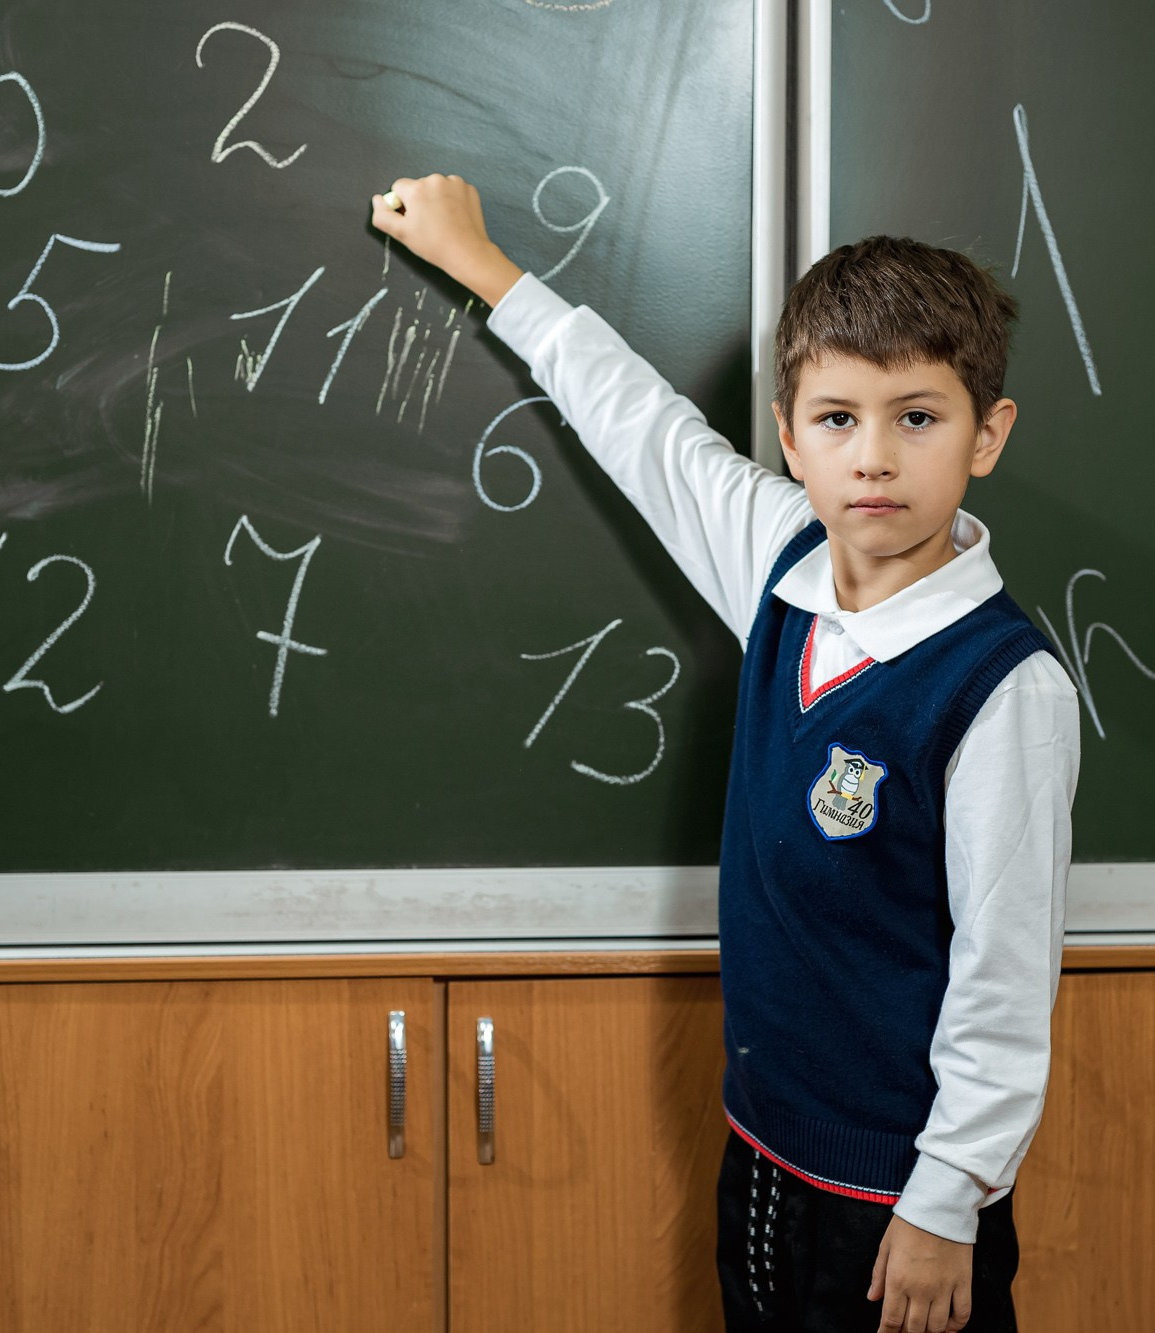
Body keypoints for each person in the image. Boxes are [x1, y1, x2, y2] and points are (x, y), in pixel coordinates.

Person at [371, 174, 1080, 1333]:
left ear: (985, 435)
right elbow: (642, 426)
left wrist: (946, 1202)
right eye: (838, 420)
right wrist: (483, 267)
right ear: (791, 436)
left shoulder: (1000, 689)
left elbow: (1004, 977)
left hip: (894, 1197)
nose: (874, 460)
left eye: (918, 417)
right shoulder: (779, 566)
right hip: (759, 1147)